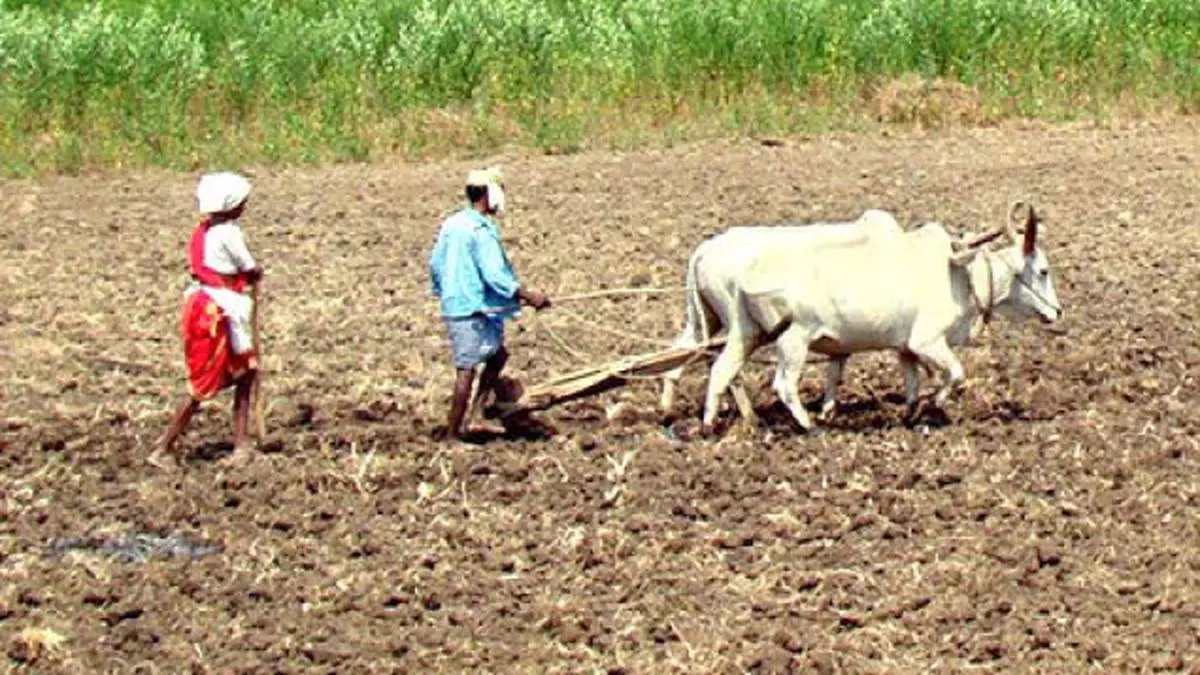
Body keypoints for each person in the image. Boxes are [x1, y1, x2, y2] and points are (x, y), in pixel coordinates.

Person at [149, 172, 264, 469]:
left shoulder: (203, 231)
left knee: (244, 373)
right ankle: (164, 446)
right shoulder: (230, 233)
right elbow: (248, 267)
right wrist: (254, 275)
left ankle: (241, 444)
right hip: (221, 309)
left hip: (207, 304)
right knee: (207, 382)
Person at [429, 167, 551, 442]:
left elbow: (435, 264)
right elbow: (494, 274)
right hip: (471, 308)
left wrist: (445, 290)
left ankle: (475, 413)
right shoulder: (480, 230)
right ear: (489, 195)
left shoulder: (452, 224)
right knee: (466, 370)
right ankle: (452, 434)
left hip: (460, 303)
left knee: (497, 356)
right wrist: (527, 295)